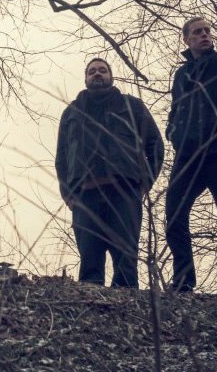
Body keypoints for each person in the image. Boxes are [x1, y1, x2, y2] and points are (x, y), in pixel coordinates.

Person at [55, 58, 163, 288]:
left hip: (124, 193)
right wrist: (68, 194)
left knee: (126, 260)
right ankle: (92, 308)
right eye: (92, 71)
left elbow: (155, 145)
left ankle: (129, 308)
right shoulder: (71, 112)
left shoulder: (132, 106)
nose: (97, 74)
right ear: (85, 78)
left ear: (111, 76)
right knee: (89, 263)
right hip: (85, 197)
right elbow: (62, 158)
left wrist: (145, 182)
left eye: (103, 70)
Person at [165, 17, 217, 293]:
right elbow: (175, 109)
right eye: (197, 32)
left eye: (207, 31)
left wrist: (210, 130)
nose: (204, 35)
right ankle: (183, 281)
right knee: (174, 214)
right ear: (186, 39)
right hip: (187, 156)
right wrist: (173, 133)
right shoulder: (181, 74)